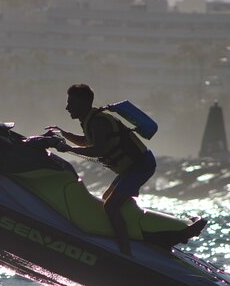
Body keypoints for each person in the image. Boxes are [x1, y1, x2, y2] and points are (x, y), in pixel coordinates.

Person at [46, 84, 157, 256]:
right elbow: (86, 141)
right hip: (132, 168)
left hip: (141, 165)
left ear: (83, 102)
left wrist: (68, 149)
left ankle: (126, 252)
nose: (67, 107)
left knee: (111, 206)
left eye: (71, 102)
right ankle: (130, 236)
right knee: (108, 199)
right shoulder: (90, 120)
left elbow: (98, 150)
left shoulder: (98, 121)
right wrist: (64, 134)